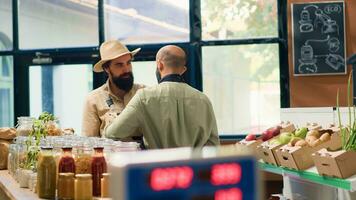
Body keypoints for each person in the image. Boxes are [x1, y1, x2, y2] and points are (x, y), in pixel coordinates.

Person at [104, 45, 219, 149]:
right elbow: (213, 144)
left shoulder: (144, 97)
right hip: (193, 170)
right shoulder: (203, 100)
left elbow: (113, 132)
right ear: (183, 70)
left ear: (159, 64)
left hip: (157, 170)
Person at [81, 40, 145, 137]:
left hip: (145, 152)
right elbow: (89, 142)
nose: (126, 69)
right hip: (110, 152)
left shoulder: (145, 93)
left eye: (128, 63)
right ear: (106, 68)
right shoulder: (93, 100)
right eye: (119, 65)